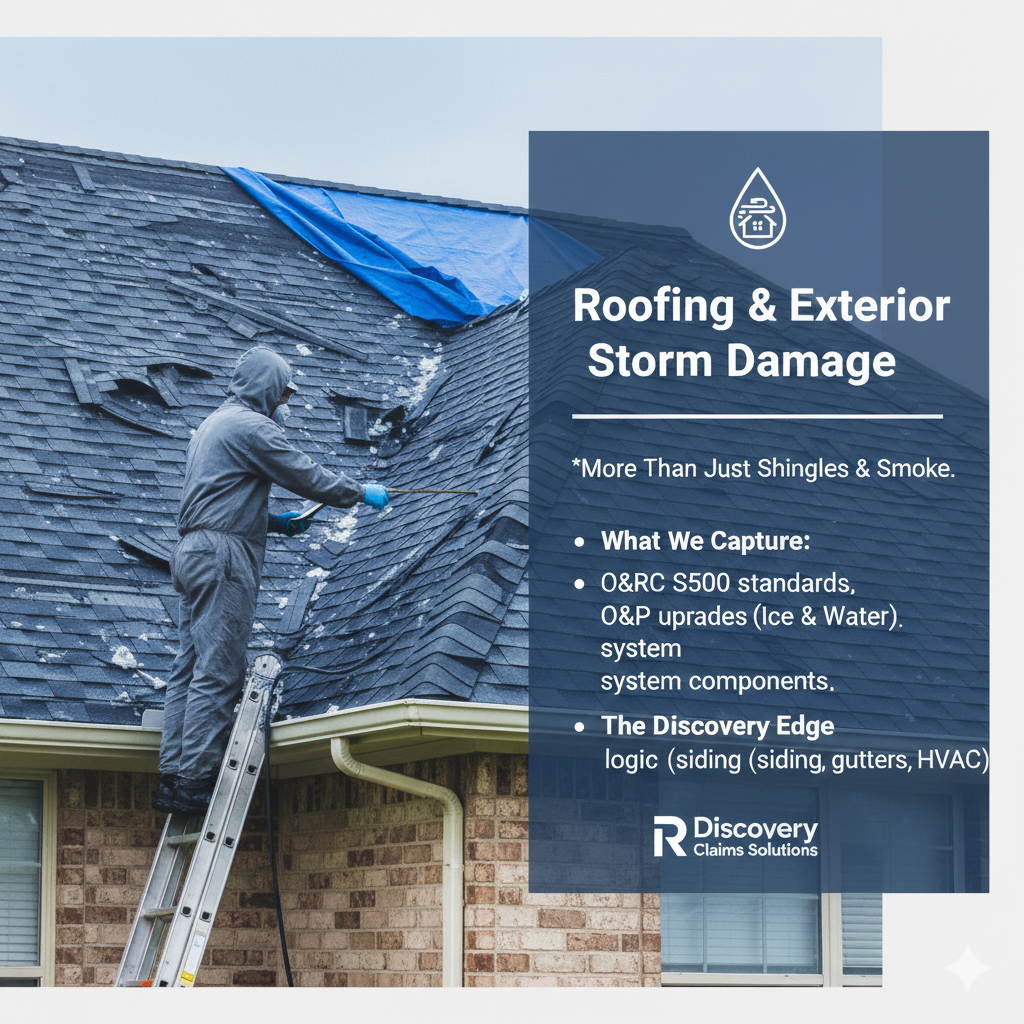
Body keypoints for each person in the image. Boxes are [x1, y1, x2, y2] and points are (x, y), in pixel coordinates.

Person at [154, 346, 389, 815]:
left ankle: (172, 776)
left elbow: (220, 498)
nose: (287, 404)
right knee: (220, 670)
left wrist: (278, 523)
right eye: (285, 395)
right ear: (268, 389)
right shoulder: (251, 426)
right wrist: (358, 493)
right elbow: (304, 473)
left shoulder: (211, 426)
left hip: (193, 550)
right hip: (222, 556)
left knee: (191, 664)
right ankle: (194, 784)